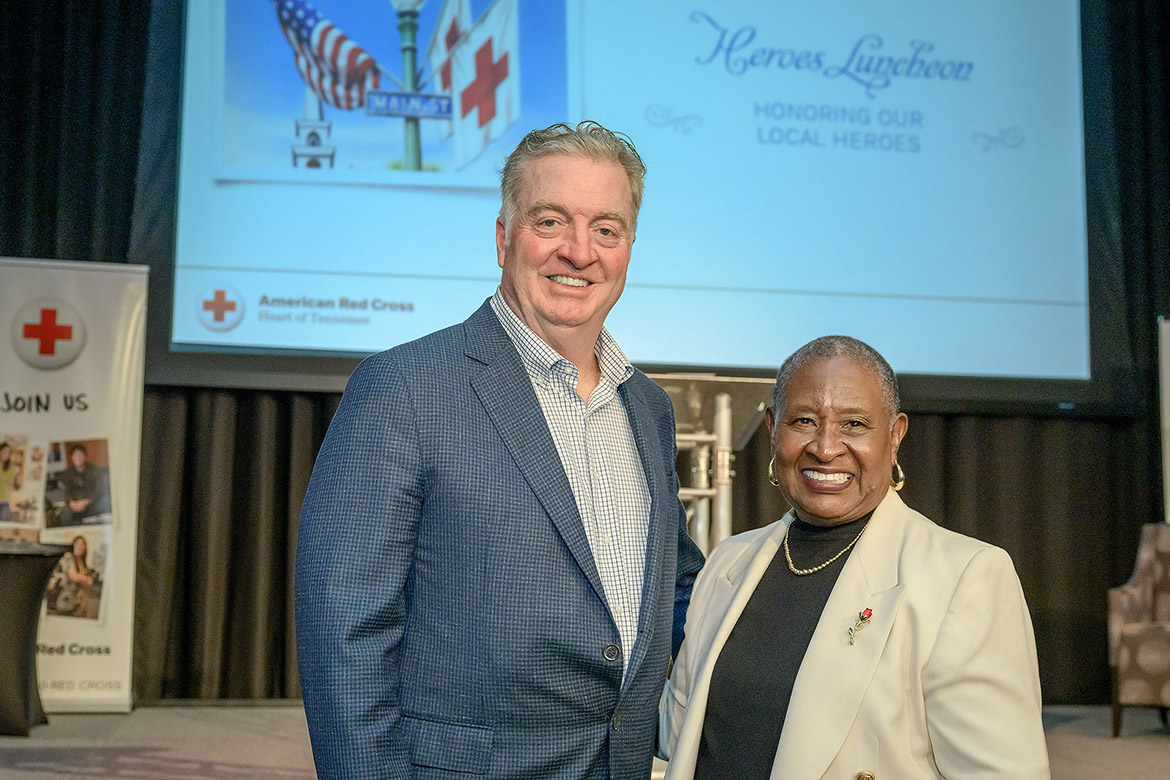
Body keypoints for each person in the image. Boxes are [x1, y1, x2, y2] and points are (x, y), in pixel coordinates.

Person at [296, 121, 705, 780]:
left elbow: (675, 593)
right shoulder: (403, 388)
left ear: (629, 247)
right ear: (502, 237)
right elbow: (344, 637)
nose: (580, 251)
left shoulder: (648, 408)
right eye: (551, 222)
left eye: (606, 229)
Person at [659, 335, 1049, 779]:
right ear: (772, 428)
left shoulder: (966, 577)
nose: (825, 447)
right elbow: (680, 734)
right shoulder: (728, 563)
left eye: (854, 425)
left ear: (895, 434)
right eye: (804, 420)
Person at [58, 444, 110, 525]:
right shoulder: (68, 472)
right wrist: (72, 503)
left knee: (106, 504)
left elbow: (99, 489)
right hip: (75, 505)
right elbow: (67, 491)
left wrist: (86, 501)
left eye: (80, 455)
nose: (78, 458)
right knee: (64, 514)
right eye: (75, 455)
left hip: (91, 503)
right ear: (72, 457)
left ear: (85, 456)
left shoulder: (94, 470)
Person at [0, 441, 19, 523]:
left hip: (4, 501)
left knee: (3, 528)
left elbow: (10, 485)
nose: (6, 454)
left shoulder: (12, 469)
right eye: (4, 451)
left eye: (8, 452)